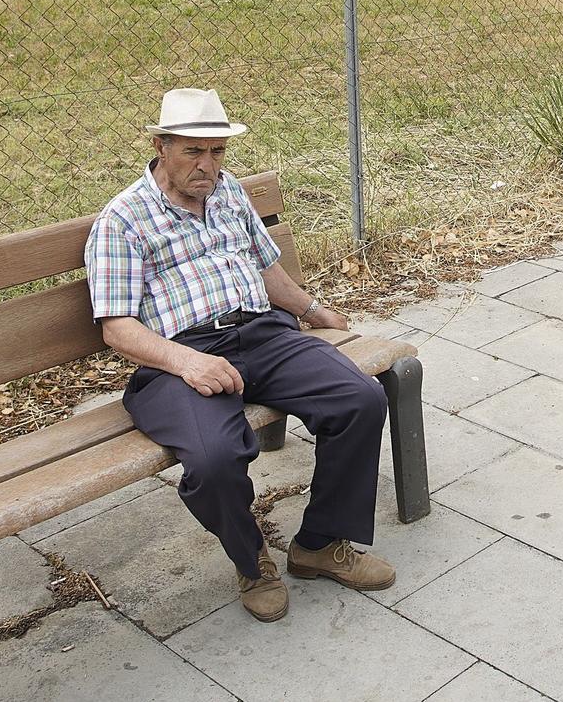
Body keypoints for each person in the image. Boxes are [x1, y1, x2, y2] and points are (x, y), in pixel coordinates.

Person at [84, 89, 393, 623]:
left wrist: (316, 311)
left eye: (217, 151)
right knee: (212, 460)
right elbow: (118, 328)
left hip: (264, 335)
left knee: (359, 398)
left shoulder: (228, 193)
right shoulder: (123, 220)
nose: (207, 166)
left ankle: (318, 545)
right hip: (179, 355)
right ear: (160, 146)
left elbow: (266, 268)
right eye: (192, 152)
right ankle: (251, 560)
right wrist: (186, 362)